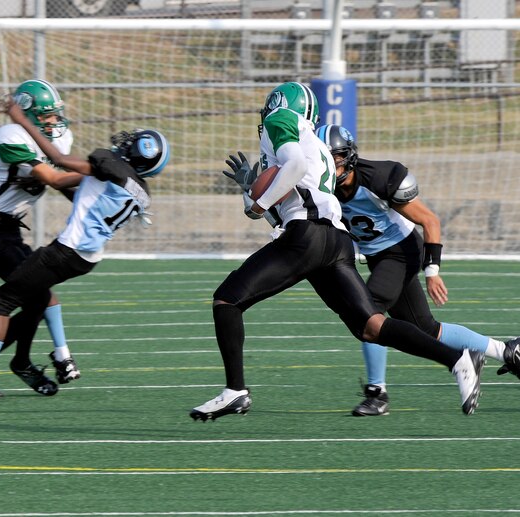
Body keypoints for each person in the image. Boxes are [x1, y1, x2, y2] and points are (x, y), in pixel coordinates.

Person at [191, 81, 484, 422]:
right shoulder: (315, 145)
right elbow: (293, 198)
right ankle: (458, 359)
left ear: (282, 103)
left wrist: (257, 204)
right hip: (336, 242)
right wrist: (253, 191)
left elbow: (293, 172)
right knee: (371, 326)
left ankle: (236, 391)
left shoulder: (281, 120)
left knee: (227, 299)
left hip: (308, 237)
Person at [0, 102, 169, 402]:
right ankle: (51, 358)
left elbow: (57, 161)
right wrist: (46, 179)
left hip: (63, 251)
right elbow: (79, 192)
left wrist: (20, 118)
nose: (123, 143)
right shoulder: (139, 190)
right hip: (86, 259)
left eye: (130, 143)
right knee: (39, 299)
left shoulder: (110, 166)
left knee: (1, 303)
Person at [315, 123, 520, 416]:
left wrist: (432, 270)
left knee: (368, 315)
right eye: (323, 157)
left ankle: (377, 393)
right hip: (377, 257)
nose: (330, 164)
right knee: (426, 328)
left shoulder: (378, 178)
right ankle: (507, 351)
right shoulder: (318, 185)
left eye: (335, 157)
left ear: (348, 156)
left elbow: (430, 221)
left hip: (401, 251)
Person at [0, 79, 85, 397]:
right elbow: (53, 178)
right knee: (36, 297)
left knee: (40, 297)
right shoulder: (10, 137)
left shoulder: (54, 139)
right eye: (48, 115)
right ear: (30, 115)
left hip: (10, 230)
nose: (55, 121)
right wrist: (102, 171)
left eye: (57, 115)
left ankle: (11, 362)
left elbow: (69, 188)